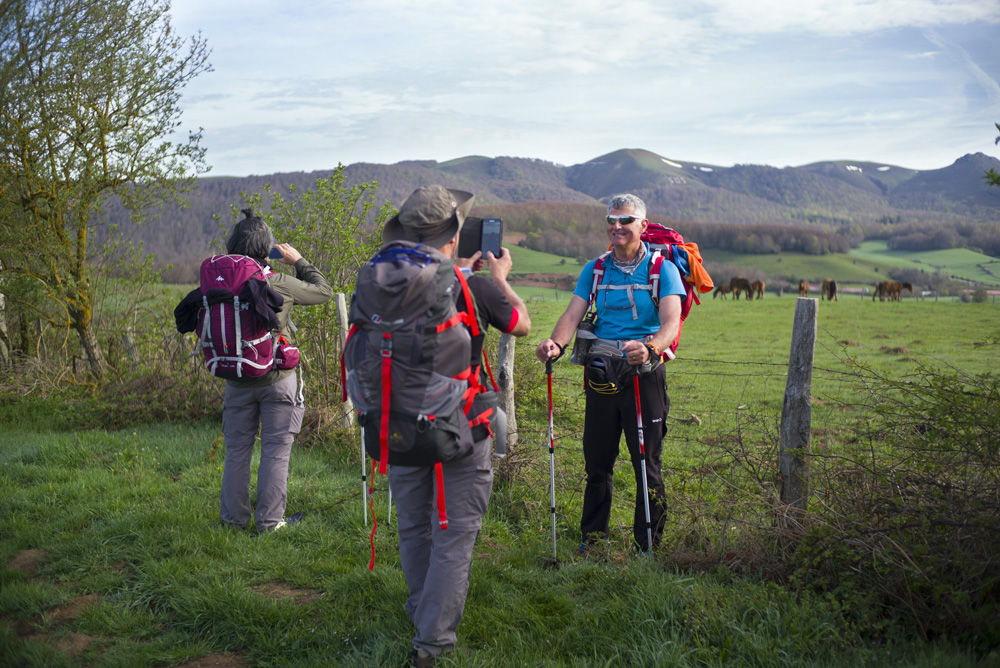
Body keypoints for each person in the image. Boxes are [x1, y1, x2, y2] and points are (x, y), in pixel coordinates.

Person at [382, 185, 530, 667]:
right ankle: (431, 643)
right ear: (454, 234)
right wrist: (500, 277)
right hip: (460, 427)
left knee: (413, 527)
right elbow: (522, 325)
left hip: (397, 423)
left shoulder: (380, 281)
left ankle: (420, 611)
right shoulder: (473, 286)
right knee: (452, 534)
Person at [535, 193, 684, 553]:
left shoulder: (662, 268)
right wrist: (556, 343)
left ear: (643, 226)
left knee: (646, 465)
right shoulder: (596, 268)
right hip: (602, 374)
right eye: (611, 220)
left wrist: (649, 347)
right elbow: (573, 314)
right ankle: (593, 542)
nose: (616, 226)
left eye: (625, 221)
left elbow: (671, 321)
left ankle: (648, 545)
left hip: (644, 375)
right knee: (597, 462)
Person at [214, 209, 333, 532]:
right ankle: (269, 522)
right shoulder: (278, 281)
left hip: (236, 377)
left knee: (237, 450)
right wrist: (298, 261)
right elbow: (324, 291)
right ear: (267, 250)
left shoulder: (221, 283)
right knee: (276, 451)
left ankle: (233, 521)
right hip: (278, 378)